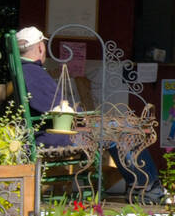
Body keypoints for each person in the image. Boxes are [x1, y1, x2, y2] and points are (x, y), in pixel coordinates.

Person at [16, 27, 164, 201]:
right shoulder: (34, 73)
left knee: (119, 127)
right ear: (41, 47)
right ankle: (148, 190)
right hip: (57, 135)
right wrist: (84, 117)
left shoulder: (25, 71)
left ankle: (141, 187)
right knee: (124, 130)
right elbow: (57, 110)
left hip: (49, 131)